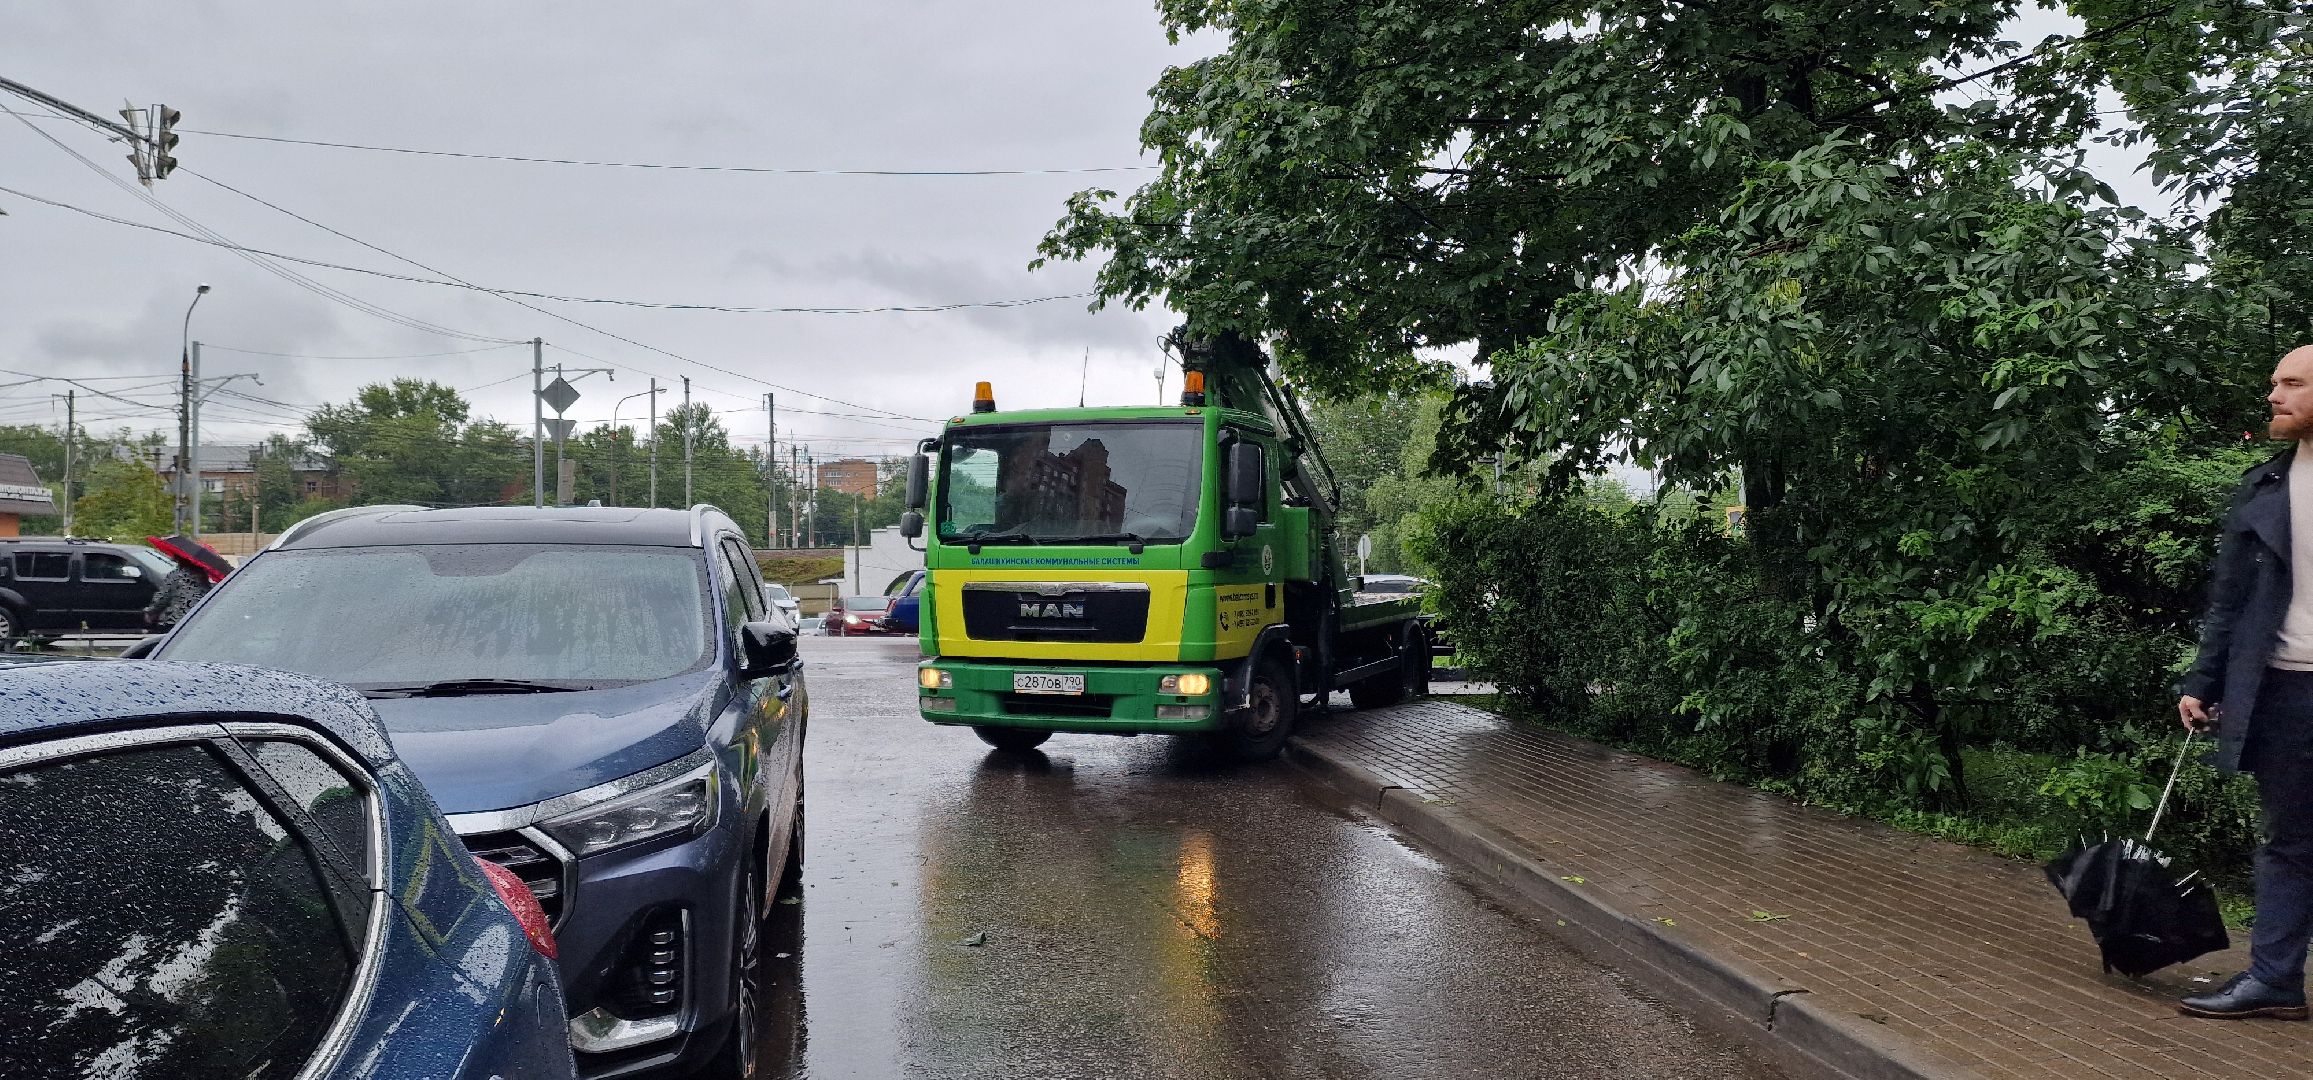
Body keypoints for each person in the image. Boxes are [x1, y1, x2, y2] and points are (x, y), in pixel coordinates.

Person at [2176, 344, 2313, 1021]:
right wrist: (2203, 679)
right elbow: (2228, 600)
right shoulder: (2264, 486)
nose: (2273, 396)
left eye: (2290, 383)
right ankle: (2274, 979)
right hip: (2286, 691)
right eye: (2272, 383)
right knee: (2289, 841)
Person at [143, 552, 213, 631]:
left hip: (176, 620)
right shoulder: (202, 575)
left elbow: (163, 597)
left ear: (179, 559)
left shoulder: (176, 575)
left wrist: (150, 612)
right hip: (198, 618)